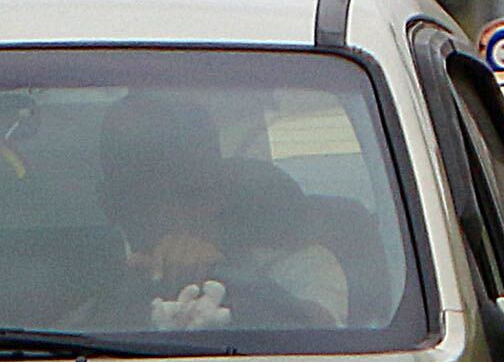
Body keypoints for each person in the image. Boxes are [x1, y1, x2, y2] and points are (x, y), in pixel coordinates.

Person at [87, 93, 351, 331]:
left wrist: (230, 278)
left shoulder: (299, 265)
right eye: (144, 193)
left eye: (189, 191)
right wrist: (127, 292)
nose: (170, 211)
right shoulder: (89, 279)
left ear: (222, 190)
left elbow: (324, 336)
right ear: (111, 202)